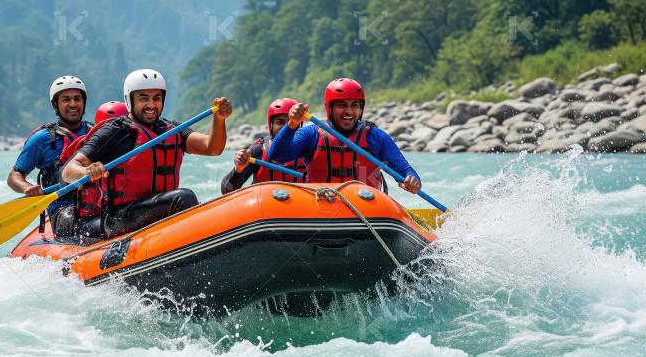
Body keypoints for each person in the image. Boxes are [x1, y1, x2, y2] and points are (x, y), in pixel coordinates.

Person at [61, 69, 233, 238]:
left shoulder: (172, 129)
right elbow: (69, 171)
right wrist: (87, 171)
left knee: (189, 201)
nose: (151, 105)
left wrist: (219, 120)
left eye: (156, 98)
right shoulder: (114, 131)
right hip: (119, 218)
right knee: (183, 198)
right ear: (130, 100)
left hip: (158, 209)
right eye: (144, 98)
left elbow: (212, 148)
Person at [269, 78, 422, 194]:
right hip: (320, 203)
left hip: (367, 206)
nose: (349, 111)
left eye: (354, 105)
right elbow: (277, 156)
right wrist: (292, 124)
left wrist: (412, 180)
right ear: (330, 108)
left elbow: (405, 170)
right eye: (342, 105)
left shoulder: (376, 136)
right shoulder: (311, 134)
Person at [8, 75, 93, 232]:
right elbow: (14, 175)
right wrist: (27, 187)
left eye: (77, 99)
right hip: (62, 210)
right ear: (56, 105)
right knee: (76, 219)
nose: (73, 104)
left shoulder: (96, 133)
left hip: (95, 203)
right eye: (66, 100)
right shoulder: (42, 139)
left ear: (84, 102)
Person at [55, 101, 129, 238]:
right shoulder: (86, 153)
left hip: (116, 214)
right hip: (85, 221)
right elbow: (65, 178)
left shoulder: (130, 150)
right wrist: (86, 172)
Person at [220, 98, 306, 194]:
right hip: (267, 206)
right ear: (271, 125)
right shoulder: (258, 150)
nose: (287, 127)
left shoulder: (309, 148)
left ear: (300, 124)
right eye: (280, 122)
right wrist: (238, 169)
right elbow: (226, 191)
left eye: (292, 121)